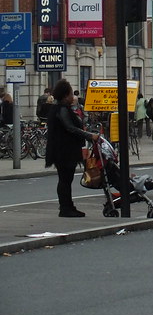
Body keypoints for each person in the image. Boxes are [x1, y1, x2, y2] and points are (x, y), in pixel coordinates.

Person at [45, 78, 100, 218]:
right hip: (64, 150)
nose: (72, 97)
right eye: (70, 94)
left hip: (61, 149)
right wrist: (90, 136)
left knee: (65, 179)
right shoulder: (62, 109)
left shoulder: (59, 108)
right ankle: (65, 207)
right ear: (65, 95)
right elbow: (70, 128)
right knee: (65, 179)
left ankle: (67, 206)